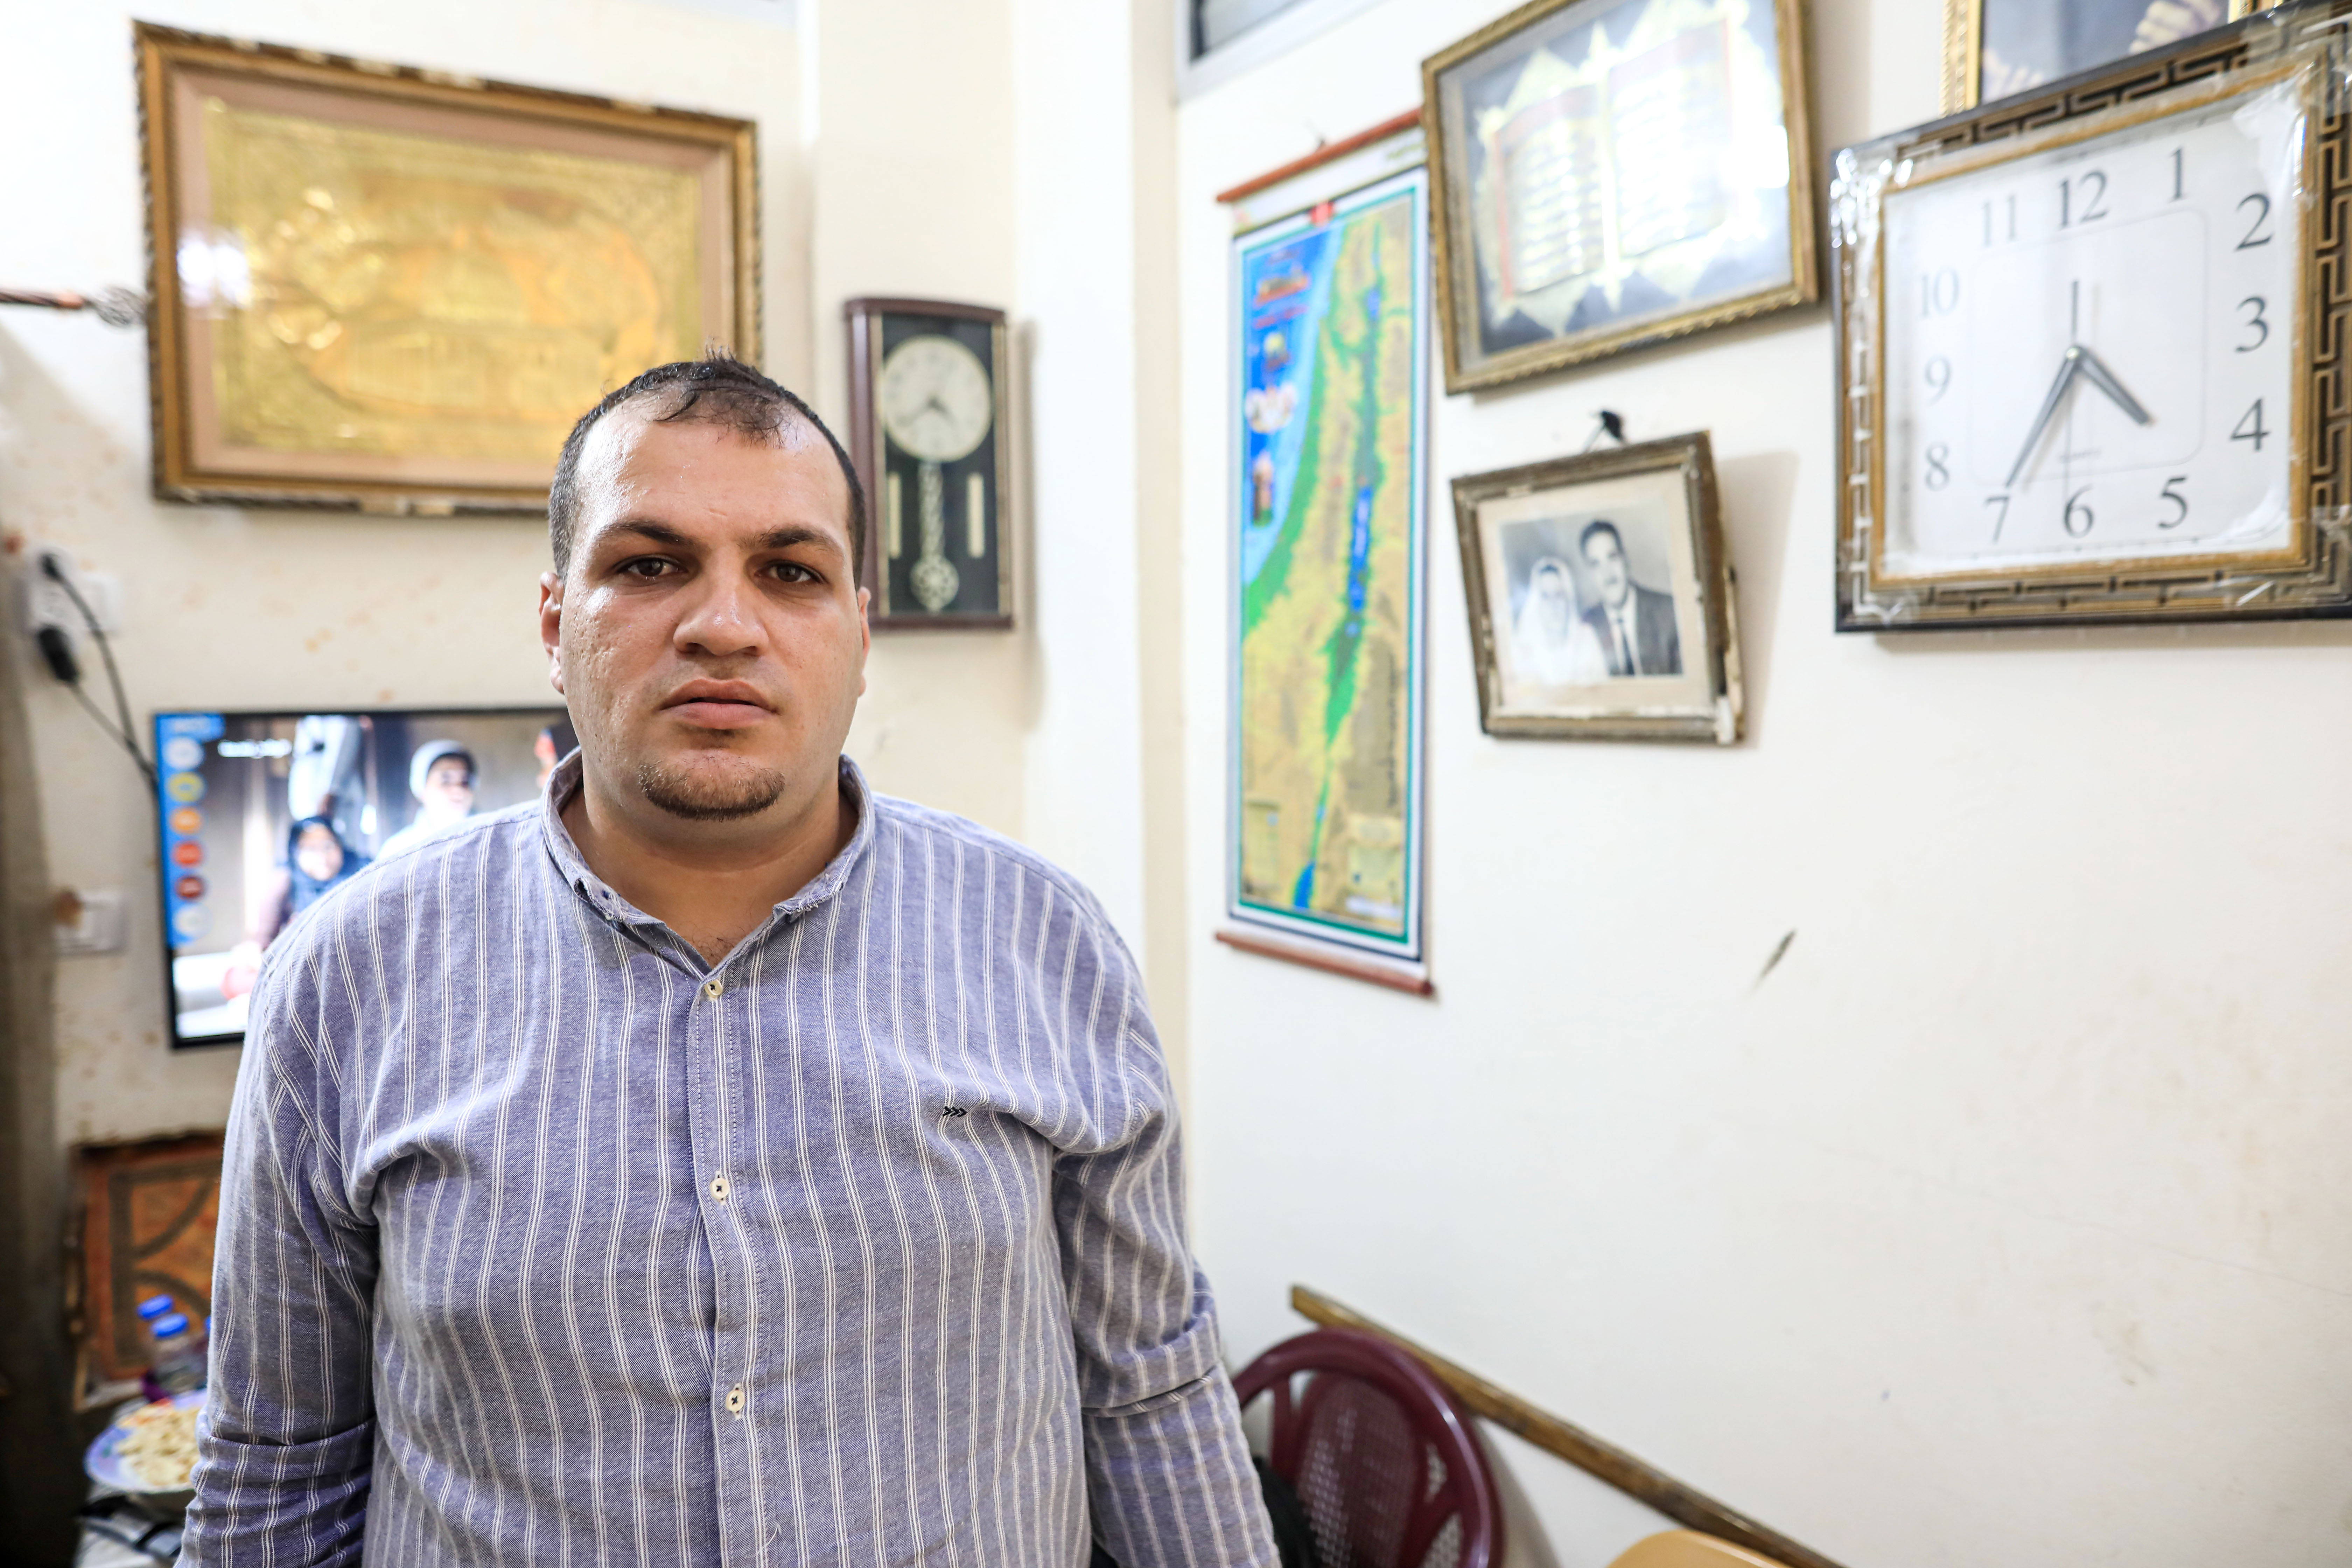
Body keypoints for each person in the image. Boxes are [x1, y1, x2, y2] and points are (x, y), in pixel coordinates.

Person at [184, 354, 1278, 1568]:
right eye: (649, 566)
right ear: (558, 626)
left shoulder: (1044, 942)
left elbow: (1151, 1394)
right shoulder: (348, 975)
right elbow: (278, 1457)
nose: (721, 624)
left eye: (791, 572)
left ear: (858, 633)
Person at [1579, 518, 1682, 678]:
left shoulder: (1668, 612)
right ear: (1590, 574)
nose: (1607, 573)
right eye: (1596, 564)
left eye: (1612, 557)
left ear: (1625, 559)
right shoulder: (1587, 626)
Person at [1510, 555, 1611, 685]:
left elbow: (1602, 688)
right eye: (1546, 597)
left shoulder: (1586, 637)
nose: (1553, 606)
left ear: (1568, 600)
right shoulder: (1523, 646)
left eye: (1559, 596)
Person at [375, 738, 476, 859]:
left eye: (465, 781)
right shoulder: (397, 850)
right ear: (422, 789)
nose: (458, 790)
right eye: (446, 781)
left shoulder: (487, 840)